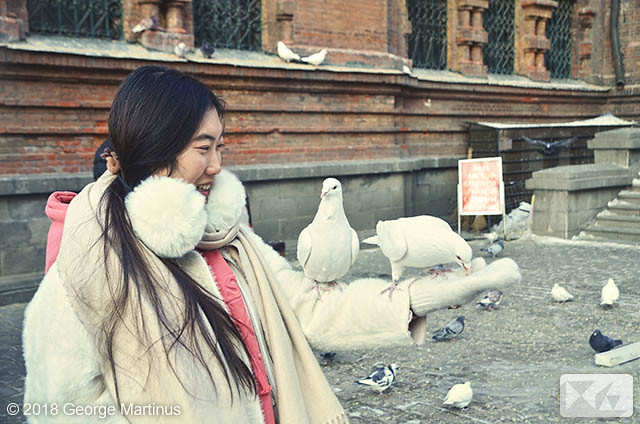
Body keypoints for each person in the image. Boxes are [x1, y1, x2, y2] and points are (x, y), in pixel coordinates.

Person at [23, 66, 521, 423]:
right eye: (203, 148)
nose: (217, 165)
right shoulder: (86, 267)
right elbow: (60, 407)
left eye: (221, 146)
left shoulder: (228, 240)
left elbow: (306, 307)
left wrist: (413, 298)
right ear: (154, 150)